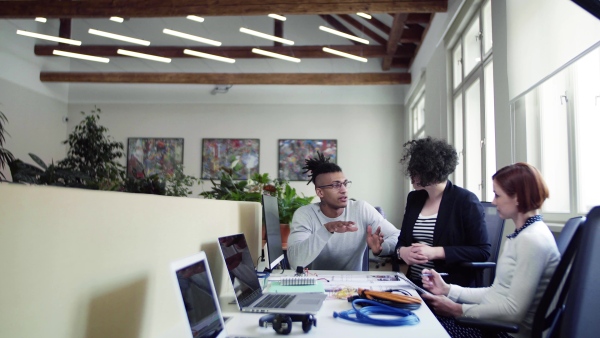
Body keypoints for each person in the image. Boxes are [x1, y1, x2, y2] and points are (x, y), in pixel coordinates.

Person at [420, 162, 559, 338]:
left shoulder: (532, 240)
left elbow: (512, 311)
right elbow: (496, 292)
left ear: (517, 197)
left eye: (497, 195)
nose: (493, 202)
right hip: (494, 326)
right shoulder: (523, 235)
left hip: (504, 333)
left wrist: (456, 309)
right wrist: (448, 290)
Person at [395, 137, 491, 287]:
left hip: (448, 287)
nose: (410, 174)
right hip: (414, 284)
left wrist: (436, 252)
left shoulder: (465, 200)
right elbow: (402, 242)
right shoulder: (414, 198)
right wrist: (402, 252)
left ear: (430, 170)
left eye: (416, 169)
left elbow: (482, 251)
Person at [287, 152, 400, 271]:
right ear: (320, 192)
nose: (344, 190)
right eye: (336, 185)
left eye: (345, 184)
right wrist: (326, 229)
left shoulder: (361, 209)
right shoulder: (305, 214)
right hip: (316, 284)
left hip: (353, 286)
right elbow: (295, 261)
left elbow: (397, 235)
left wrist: (382, 248)